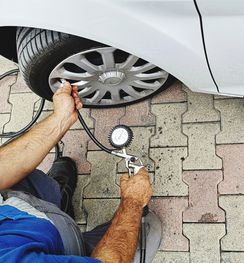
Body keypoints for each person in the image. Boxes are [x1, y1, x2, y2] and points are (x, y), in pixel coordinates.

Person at [0, 82, 161, 262]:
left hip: (17, 205)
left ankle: (60, 199)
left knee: (30, 181)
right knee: (142, 233)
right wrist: (134, 203)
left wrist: (61, 118)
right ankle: (133, 232)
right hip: (61, 249)